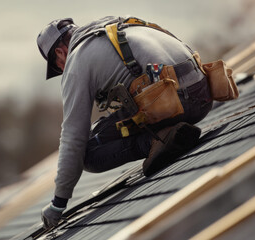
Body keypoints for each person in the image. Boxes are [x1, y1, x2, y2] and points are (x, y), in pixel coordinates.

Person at [36, 16, 213, 229]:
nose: (63, 71)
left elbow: (73, 139)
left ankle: (157, 140)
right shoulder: (119, 26)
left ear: (59, 53)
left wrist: (58, 203)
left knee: (87, 152)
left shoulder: (77, 61)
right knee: (102, 129)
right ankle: (167, 133)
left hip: (175, 103)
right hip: (204, 96)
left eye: (58, 67)